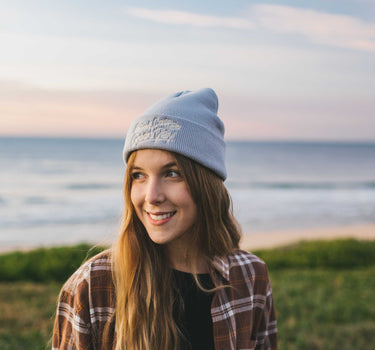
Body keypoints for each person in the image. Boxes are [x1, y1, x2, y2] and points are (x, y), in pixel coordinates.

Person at [52, 88, 278, 350]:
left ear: (206, 184)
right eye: (139, 175)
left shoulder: (250, 276)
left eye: (172, 173)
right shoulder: (92, 286)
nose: (152, 196)